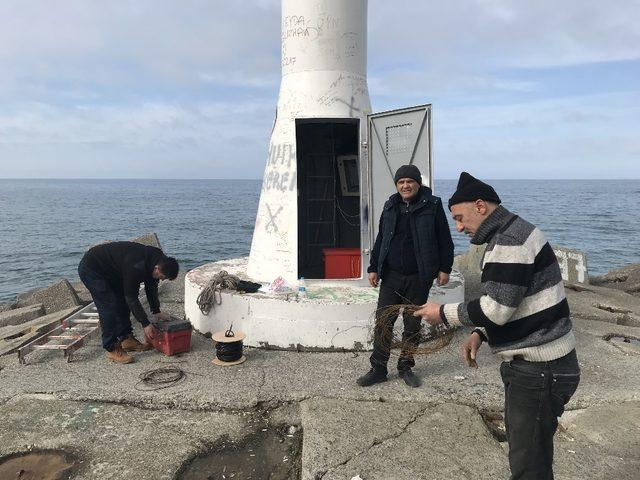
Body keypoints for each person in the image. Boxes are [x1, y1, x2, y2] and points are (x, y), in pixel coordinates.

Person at [416, 172, 580, 479]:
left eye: (460, 218)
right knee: (531, 457)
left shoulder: (509, 241)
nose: (459, 227)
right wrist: (481, 333)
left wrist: (444, 312)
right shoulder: (512, 232)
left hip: (540, 371)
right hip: (545, 367)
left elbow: (498, 308)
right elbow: (516, 300)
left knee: (529, 467)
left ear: (480, 206)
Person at [357, 164, 454, 388]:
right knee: (383, 322)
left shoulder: (433, 205)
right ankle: (378, 368)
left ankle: (405, 367)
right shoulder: (390, 205)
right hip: (391, 275)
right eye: (401, 182)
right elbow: (381, 238)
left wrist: (444, 268)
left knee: (412, 324)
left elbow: (444, 239)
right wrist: (374, 268)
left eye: (410, 181)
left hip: (419, 276)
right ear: (397, 185)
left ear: (418, 184)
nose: (405, 185)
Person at [78, 241, 179, 364]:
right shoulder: (136, 267)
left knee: (121, 301)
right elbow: (131, 298)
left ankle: (126, 339)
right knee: (109, 306)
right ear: (157, 268)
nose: (162, 280)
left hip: (112, 270)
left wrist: (156, 311)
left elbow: (151, 287)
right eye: (162, 277)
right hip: (92, 269)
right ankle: (111, 348)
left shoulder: (158, 259)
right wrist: (145, 323)